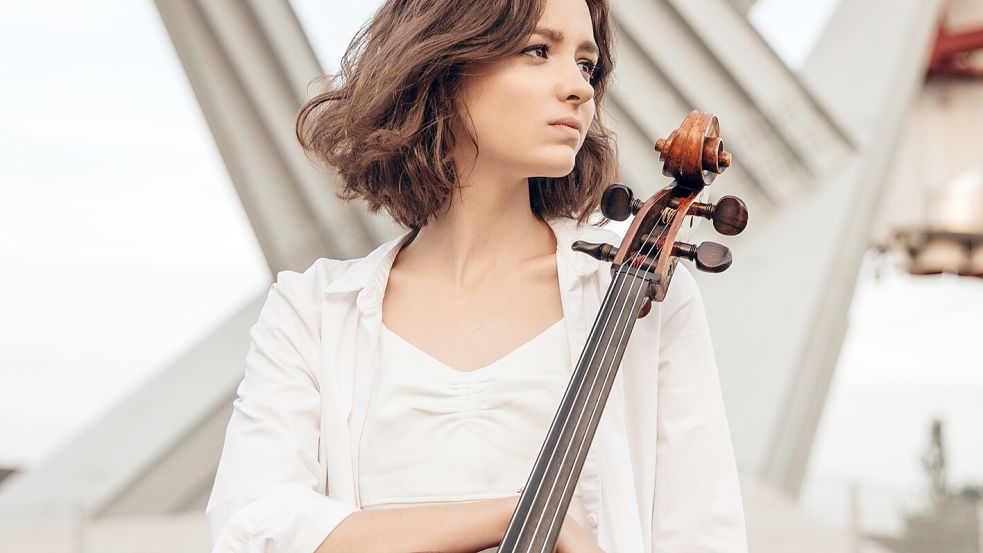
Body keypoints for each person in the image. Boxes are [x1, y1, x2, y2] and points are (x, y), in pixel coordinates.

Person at [205, 0, 748, 551]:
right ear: (442, 66)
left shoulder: (644, 299)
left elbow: (703, 533)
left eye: (587, 65)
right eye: (538, 51)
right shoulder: (314, 309)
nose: (581, 89)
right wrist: (523, 516)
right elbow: (254, 525)